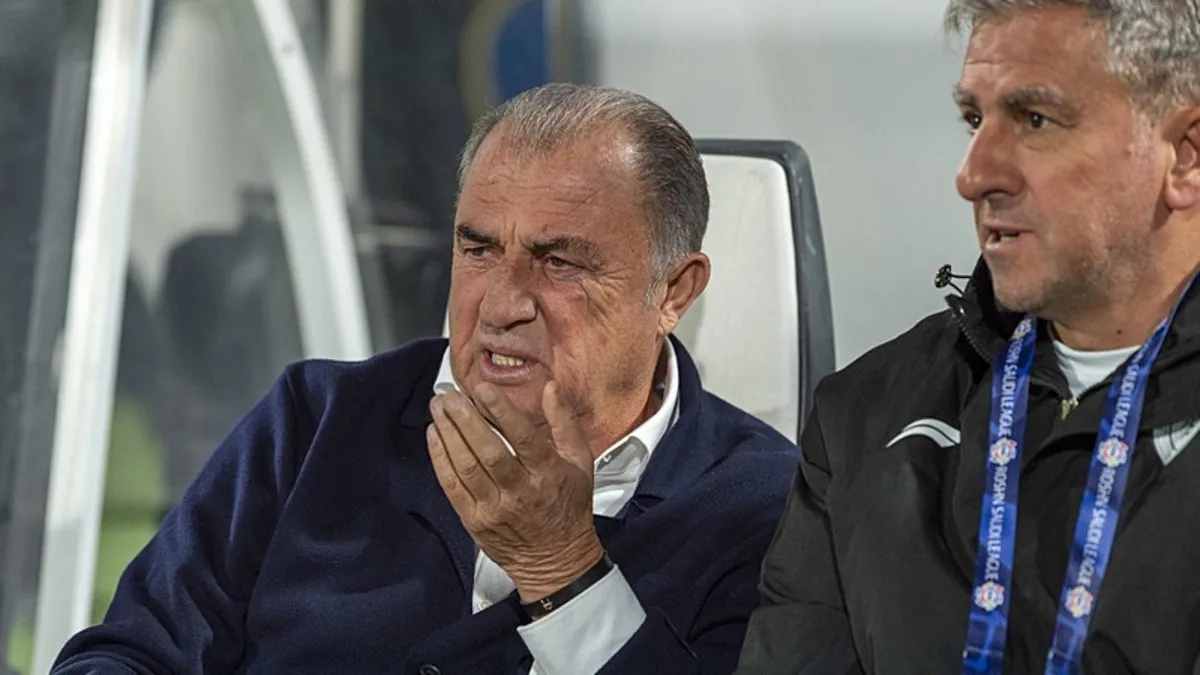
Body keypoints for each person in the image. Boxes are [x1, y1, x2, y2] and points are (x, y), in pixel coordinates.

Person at [51, 83, 799, 675]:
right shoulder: (315, 421)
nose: (501, 305)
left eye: (559, 262)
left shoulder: (768, 508)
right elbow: (131, 651)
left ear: (674, 291)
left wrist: (562, 569)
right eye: (478, 250)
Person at [736, 1, 1200, 673]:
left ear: (1184, 157)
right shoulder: (863, 415)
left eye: (1035, 120)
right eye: (975, 119)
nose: (974, 175)